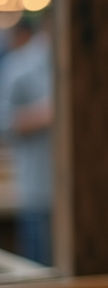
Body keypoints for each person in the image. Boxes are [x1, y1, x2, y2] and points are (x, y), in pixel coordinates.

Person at [0, 15, 53, 265]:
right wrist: (47, 113)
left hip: (75, 192)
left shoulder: (80, 64)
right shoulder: (20, 66)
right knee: (39, 270)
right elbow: (4, 122)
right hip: (38, 187)